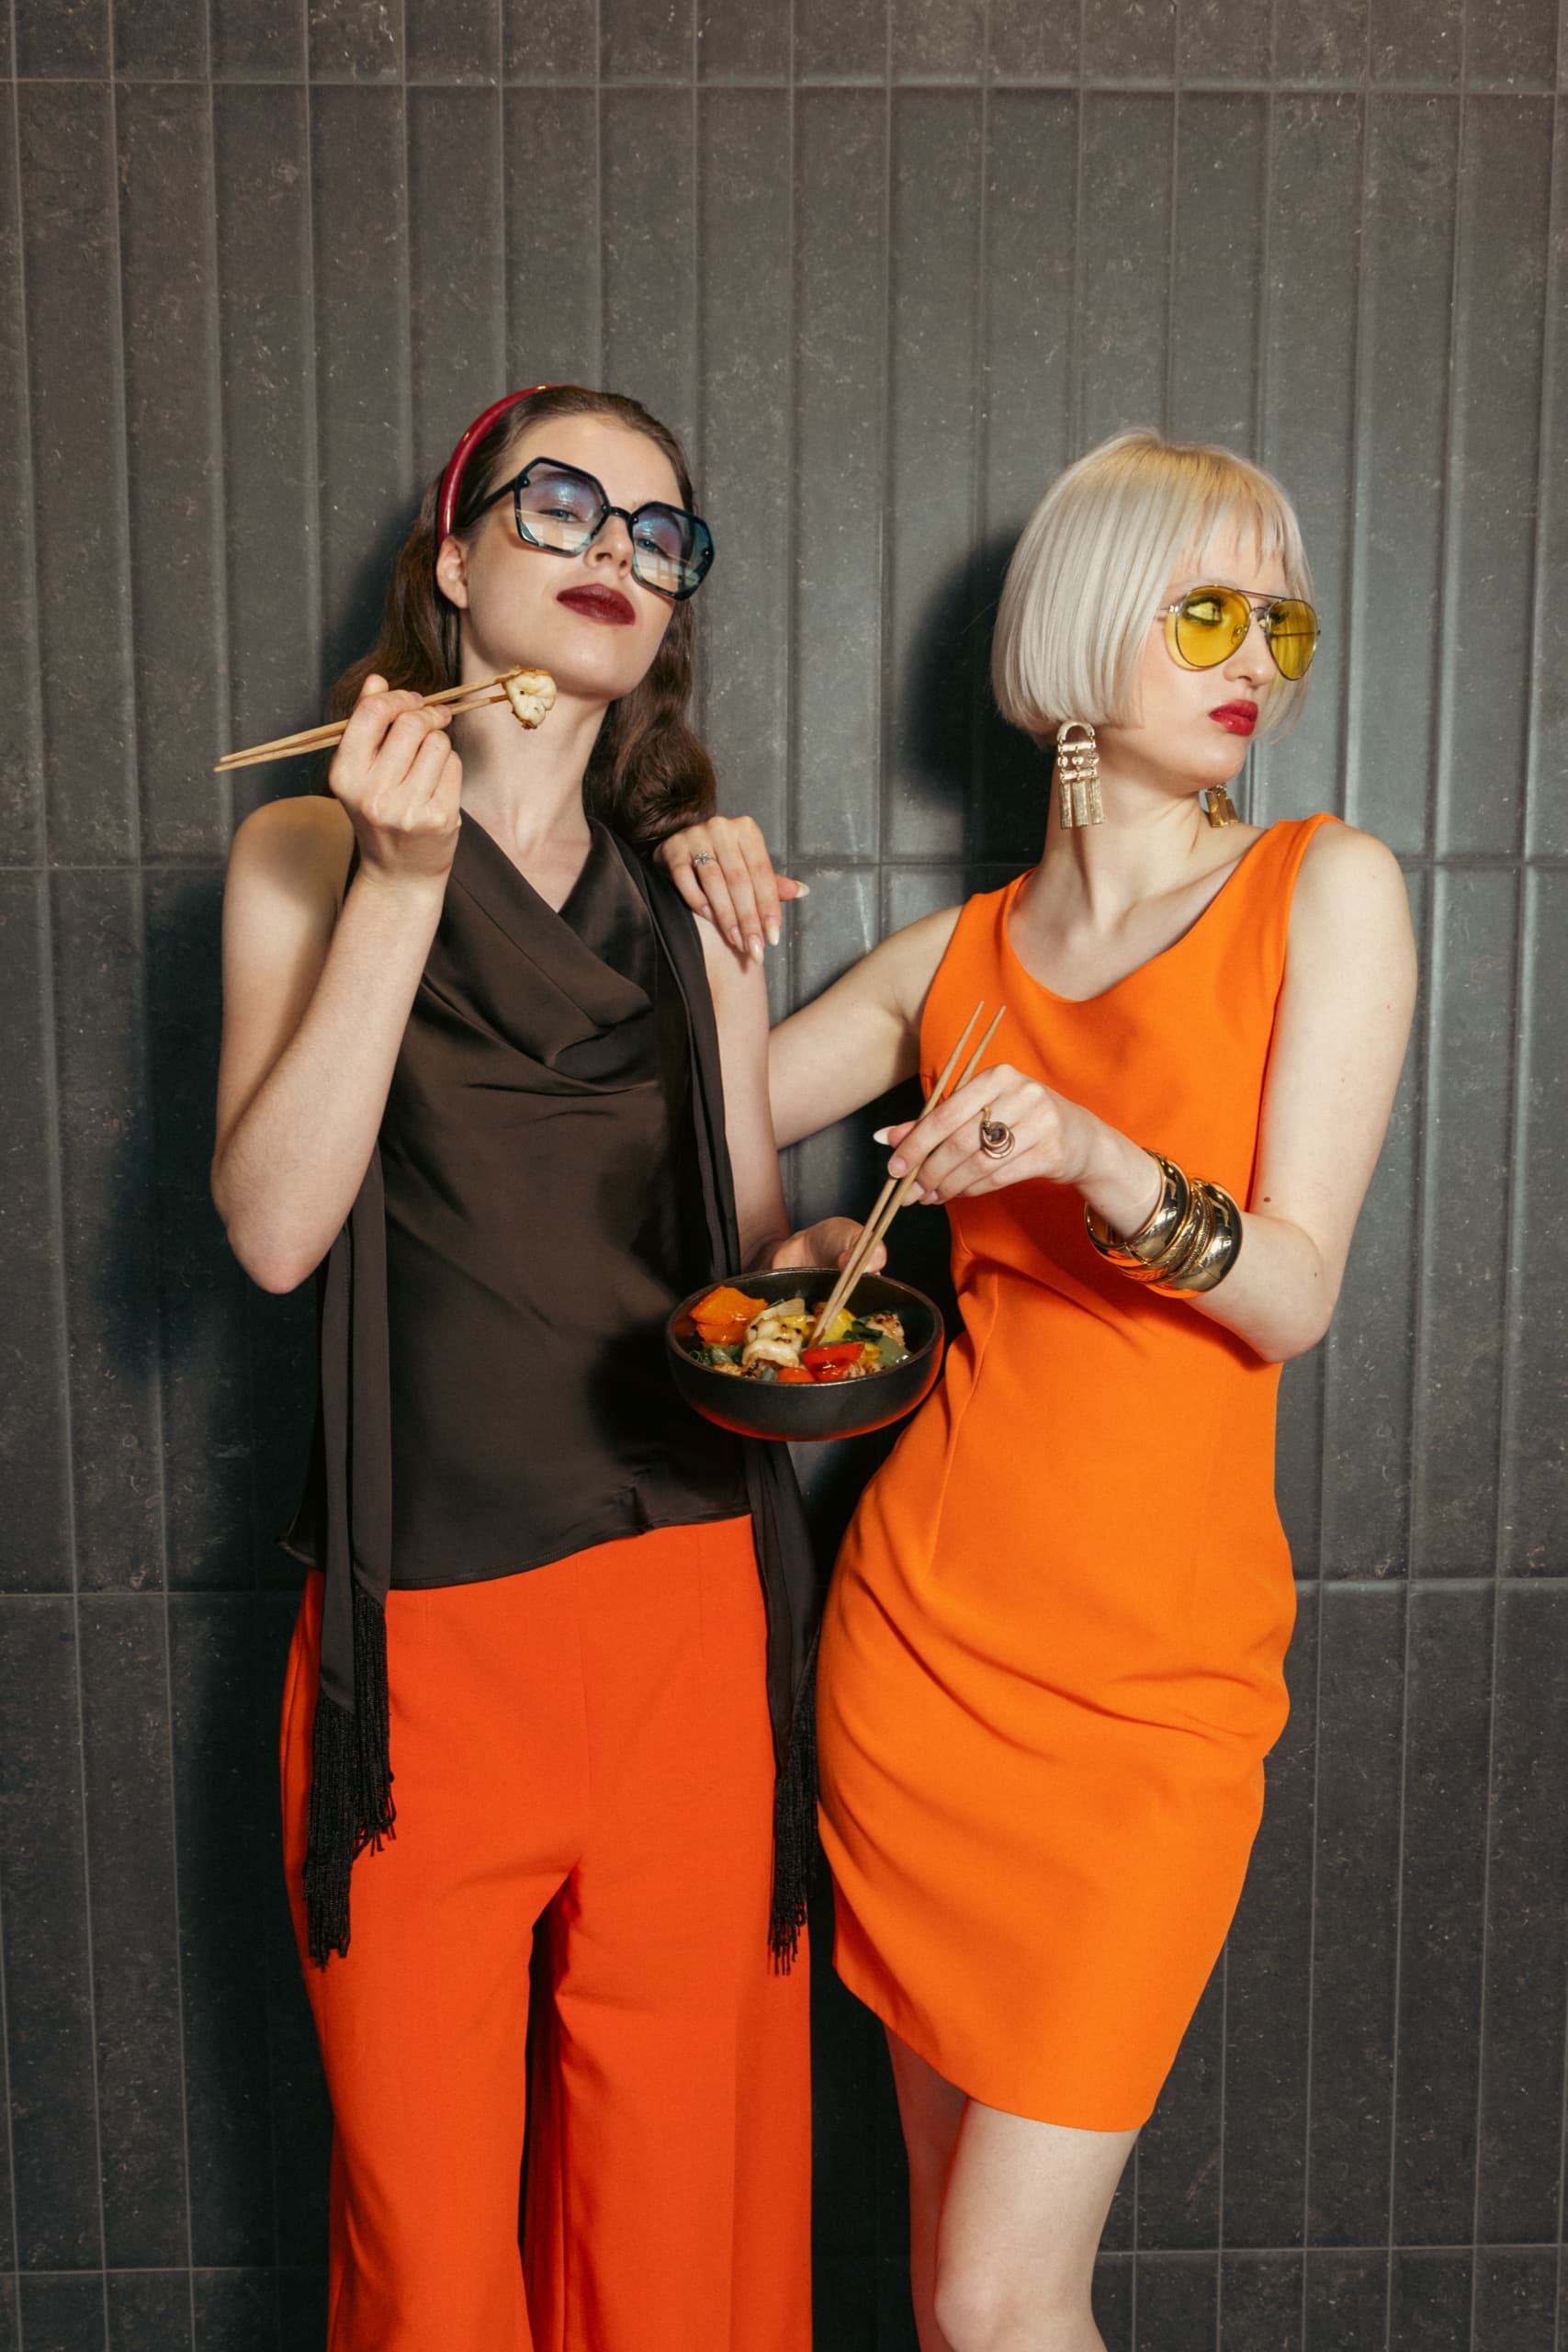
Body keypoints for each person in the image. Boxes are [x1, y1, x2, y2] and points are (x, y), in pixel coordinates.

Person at [660, 429, 1417, 2352]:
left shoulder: (1323, 888)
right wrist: (716, 919)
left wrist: (1096, 1158)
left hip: (1149, 1701)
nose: (1255, 658)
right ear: (1083, 627)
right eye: (1204, 610)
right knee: (949, 2288)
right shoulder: (959, 960)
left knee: (1004, 2302)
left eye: (1280, 620)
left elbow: (1293, 1294)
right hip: (918, 1652)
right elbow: (707, 1160)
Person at [211, 382, 868, 2352]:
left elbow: (743, 1273)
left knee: (675, 2235)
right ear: (455, 552)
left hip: (692, 1616)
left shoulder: (697, 895)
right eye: (562, 504)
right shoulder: (307, 848)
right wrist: (404, 885)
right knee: (426, 2262)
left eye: (659, 535)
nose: (614, 552)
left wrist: (840, 1267)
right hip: (427, 1631)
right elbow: (274, 1228)